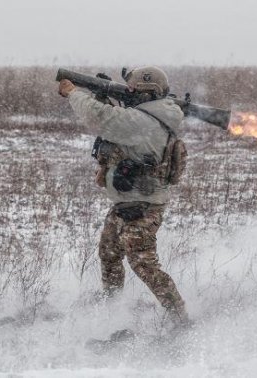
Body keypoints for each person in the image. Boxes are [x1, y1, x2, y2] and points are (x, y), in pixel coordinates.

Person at [58, 67, 189, 327]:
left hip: (143, 206)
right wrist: (100, 95)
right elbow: (114, 121)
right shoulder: (150, 115)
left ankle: (181, 319)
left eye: (133, 90)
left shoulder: (145, 121)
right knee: (108, 254)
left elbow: (102, 119)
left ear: (147, 93)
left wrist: (73, 93)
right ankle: (113, 308)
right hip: (127, 202)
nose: (128, 92)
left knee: (144, 265)